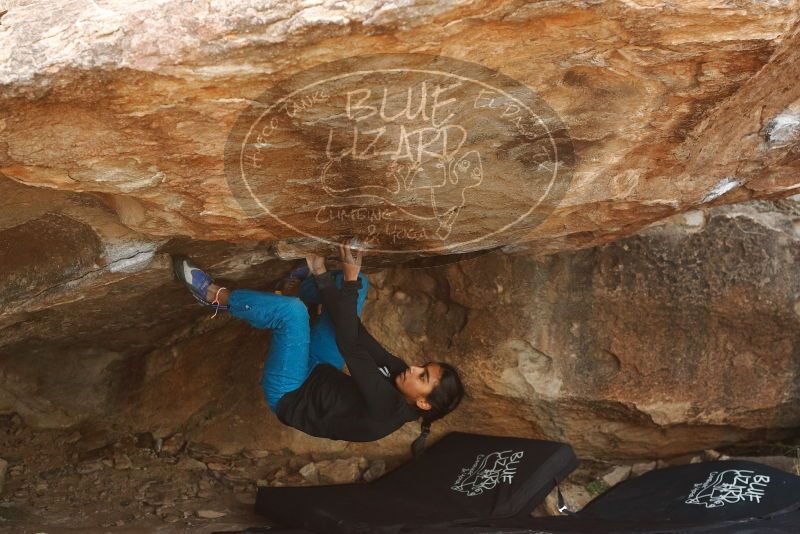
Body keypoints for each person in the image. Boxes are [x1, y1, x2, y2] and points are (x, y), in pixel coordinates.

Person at [172, 240, 464, 456]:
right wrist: (325, 276)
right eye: (423, 368)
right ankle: (301, 284)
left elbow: (349, 344)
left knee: (293, 314)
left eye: (422, 377)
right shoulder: (402, 376)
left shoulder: (389, 408)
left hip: (291, 391)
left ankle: (214, 296)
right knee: (359, 284)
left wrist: (346, 279)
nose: (414, 368)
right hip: (322, 369)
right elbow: (357, 333)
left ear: (423, 403)